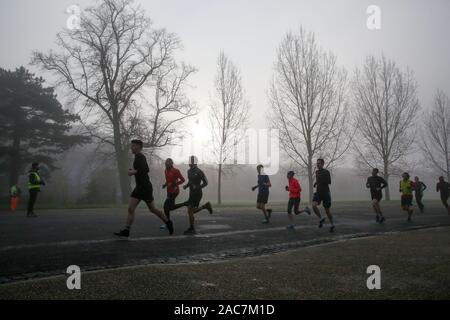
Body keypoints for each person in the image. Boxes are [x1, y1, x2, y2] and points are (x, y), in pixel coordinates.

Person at [114, 140, 174, 238]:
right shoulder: (137, 157)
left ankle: (168, 222)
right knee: (130, 208)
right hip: (139, 187)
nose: (131, 147)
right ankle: (126, 230)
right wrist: (133, 171)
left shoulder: (140, 157)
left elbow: (146, 169)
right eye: (131, 146)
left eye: (133, 146)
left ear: (138, 146)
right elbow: (141, 170)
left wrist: (133, 172)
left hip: (145, 187)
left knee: (153, 209)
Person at [180, 155, 213, 235]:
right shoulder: (188, 171)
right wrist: (186, 186)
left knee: (190, 210)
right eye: (189, 161)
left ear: (194, 162)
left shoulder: (199, 171)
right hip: (191, 193)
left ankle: (192, 228)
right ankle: (205, 206)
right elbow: (190, 181)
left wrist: (197, 186)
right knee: (191, 211)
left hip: (197, 193)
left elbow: (206, 182)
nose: (189, 163)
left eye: (190, 161)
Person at [159, 158, 185, 230]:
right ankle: (168, 223)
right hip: (169, 191)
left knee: (166, 207)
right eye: (166, 163)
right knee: (169, 207)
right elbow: (167, 180)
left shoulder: (176, 171)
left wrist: (174, 184)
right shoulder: (166, 171)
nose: (167, 164)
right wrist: (165, 185)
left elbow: (183, 180)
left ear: (171, 164)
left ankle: (168, 223)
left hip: (174, 191)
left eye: (168, 163)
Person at [311, 159, 335, 232]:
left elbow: (329, 181)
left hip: (325, 193)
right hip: (318, 192)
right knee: (313, 206)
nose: (317, 164)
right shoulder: (317, 172)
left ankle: (332, 224)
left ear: (323, 164)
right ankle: (321, 219)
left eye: (319, 163)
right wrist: (316, 183)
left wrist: (320, 182)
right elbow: (318, 180)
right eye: (317, 163)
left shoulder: (326, 172)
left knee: (327, 211)